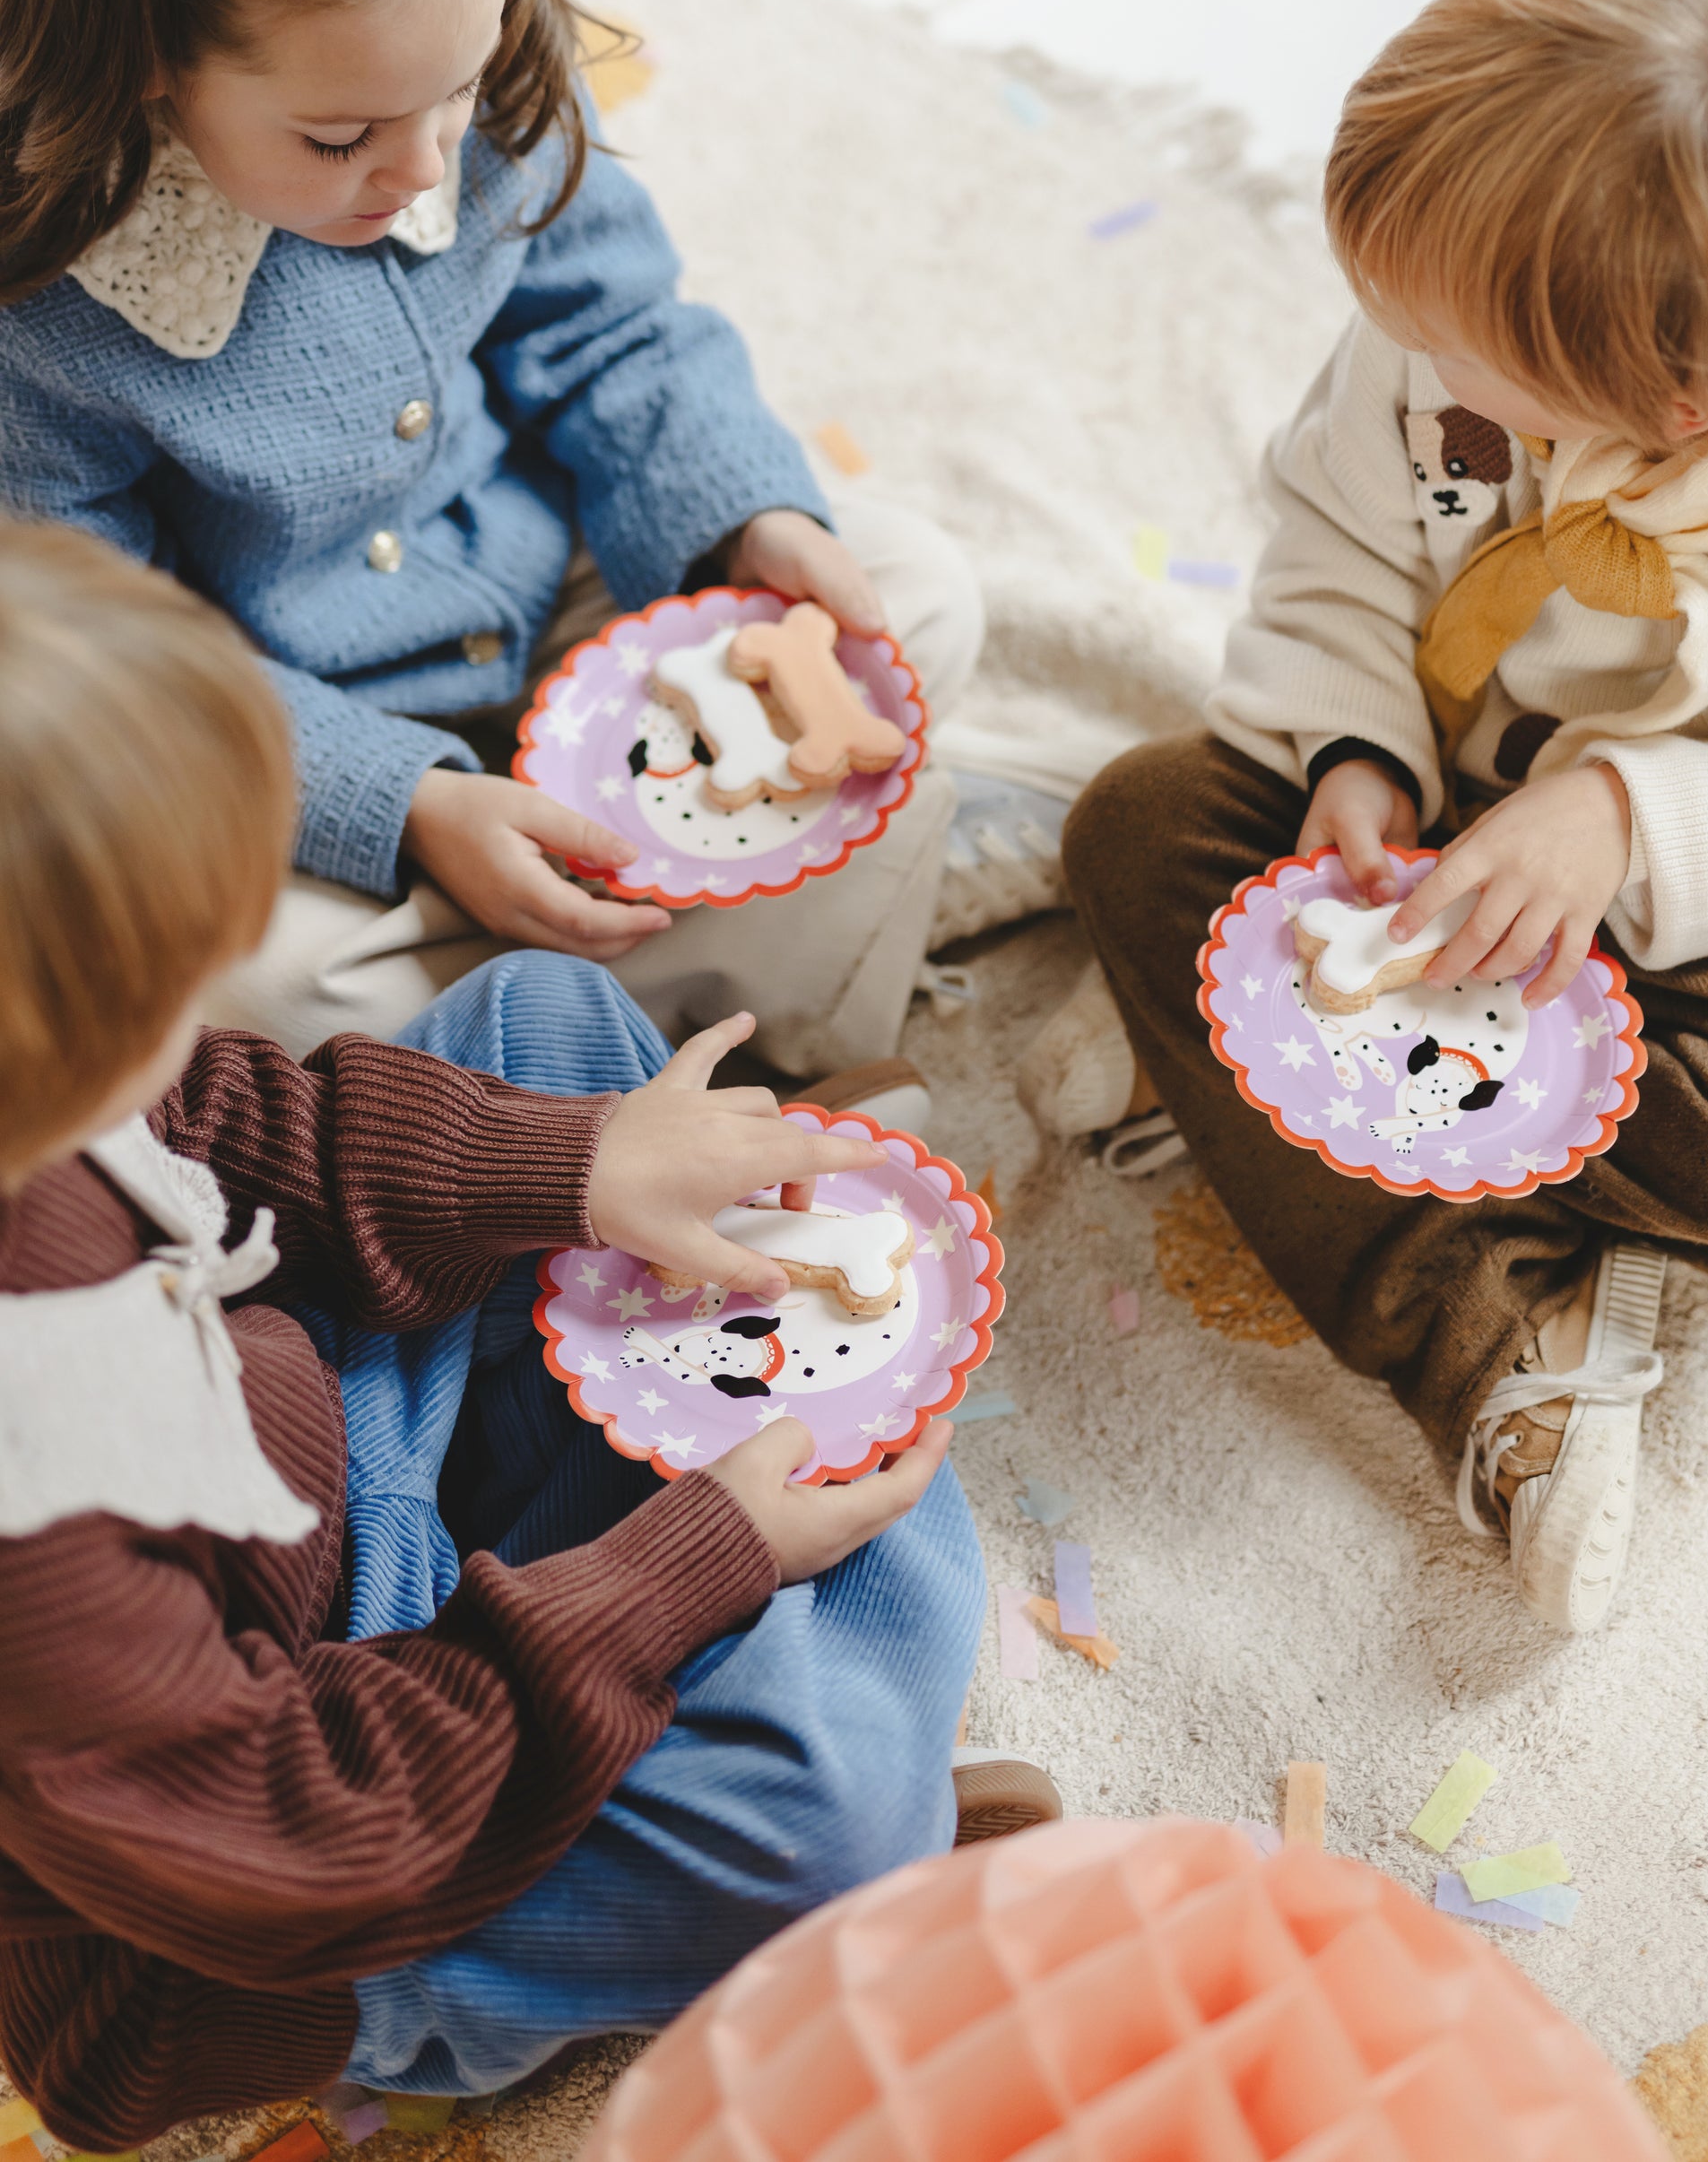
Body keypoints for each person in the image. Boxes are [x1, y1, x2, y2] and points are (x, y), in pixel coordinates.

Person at [0, 523, 1062, 2149]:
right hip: (274, 1859)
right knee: (816, 1816)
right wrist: (688, 1566)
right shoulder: (39, 1543)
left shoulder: (65, 1110)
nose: (193, 1034)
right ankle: (763, 1780)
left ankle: (731, 1612)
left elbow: (226, 1116)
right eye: (158, 1003)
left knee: (541, 1032)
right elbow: (307, 1834)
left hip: (295, 1463)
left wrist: (573, 1169)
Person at [0, 0, 985, 1081]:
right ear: (153, 62)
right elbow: (122, 667)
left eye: (456, 93)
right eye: (338, 140)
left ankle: (743, 1038)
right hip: (290, 722)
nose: (421, 167)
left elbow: (615, 326)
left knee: (909, 588)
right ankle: (585, 1063)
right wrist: (406, 803)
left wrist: (734, 519)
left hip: (551, 574)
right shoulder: (52, 303)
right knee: (238, 998)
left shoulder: (462, 71)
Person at [1022, 0, 1708, 1635]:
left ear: (1681, 390)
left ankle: (1264, 1083)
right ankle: (1483, 1327)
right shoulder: (1425, 339)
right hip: (1419, 844)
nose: (1392, 349)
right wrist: (1352, 747)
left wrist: (1625, 818)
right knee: (1135, 824)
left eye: (1445, 343)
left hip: (1679, 917)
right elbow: (1337, 544)